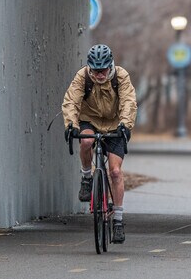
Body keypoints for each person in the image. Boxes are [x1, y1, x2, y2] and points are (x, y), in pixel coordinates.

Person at [62, 44, 137, 243]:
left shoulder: (121, 76)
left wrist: (125, 125)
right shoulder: (83, 76)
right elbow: (71, 101)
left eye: (103, 70)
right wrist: (71, 124)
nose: (99, 74)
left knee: (114, 172)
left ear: (110, 65)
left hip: (115, 124)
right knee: (86, 141)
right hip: (91, 120)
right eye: (95, 70)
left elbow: (129, 101)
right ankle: (87, 178)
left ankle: (118, 221)